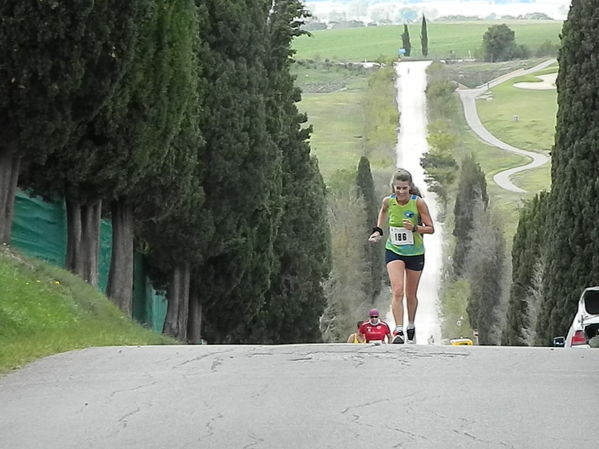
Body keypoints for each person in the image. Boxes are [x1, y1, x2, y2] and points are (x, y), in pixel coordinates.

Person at [368, 169, 434, 344]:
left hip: (415, 253)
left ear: (410, 187)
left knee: (410, 294)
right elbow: (382, 212)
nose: (401, 192)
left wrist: (414, 228)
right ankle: (398, 331)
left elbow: (431, 228)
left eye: (405, 188)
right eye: (398, 188)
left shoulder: (418, 203)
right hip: (394, 250)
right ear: (393, 187)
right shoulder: (388, 201)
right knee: (397, 290)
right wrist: (378, 231)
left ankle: (410, 325)